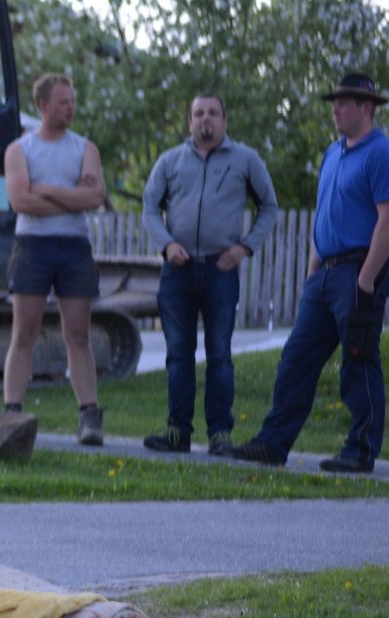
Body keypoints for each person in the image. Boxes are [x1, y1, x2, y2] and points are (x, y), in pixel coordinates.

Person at [219, 73, 389, 474]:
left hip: (360, 269)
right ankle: (272, 444)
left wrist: (366, 280)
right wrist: (312, 274)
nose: (335, 109)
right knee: (296, 359)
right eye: (334, 102)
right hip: (326, 273)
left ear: (367, 107)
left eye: (344, 103)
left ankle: (360, 450)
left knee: (358, 357)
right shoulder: (333, 154)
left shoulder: (382, 154)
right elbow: (325, 215)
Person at [141, 93, 280, 455]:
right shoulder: (170, 161)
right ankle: (178, 433)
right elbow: (149, 207)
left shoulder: (245, 160)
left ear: (224, 121)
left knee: (219, 355)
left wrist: (245, 247)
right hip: (178, 270)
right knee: (178, 354)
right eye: (199, 113)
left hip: (221, 270)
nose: (206, 119)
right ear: (190, 122)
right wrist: (167, 245)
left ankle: (220, 434)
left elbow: (269, 206)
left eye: (213, 113)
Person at [1, 73, 107, 445]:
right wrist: (71, 196)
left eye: (72, 101)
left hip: (74, 246)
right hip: (33, 245)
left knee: (78, 334)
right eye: (63, 102)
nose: (70, 108)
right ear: (44, 106)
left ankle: (89, 416)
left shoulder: (85, 148)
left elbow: (94, 198)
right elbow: (20, 200)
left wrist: (43, 189)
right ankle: (11, 413)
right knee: (24, 332)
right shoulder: (20, 150)